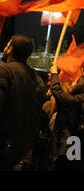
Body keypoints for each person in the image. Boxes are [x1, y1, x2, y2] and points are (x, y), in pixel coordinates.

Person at [0, 35, 48, 170]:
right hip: (25, 145)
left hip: (5, 142)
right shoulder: (36, 77)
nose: (5, 47)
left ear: (10, 50)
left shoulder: (5, 71)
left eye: (7, 44)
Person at [49, 66, 84, 171]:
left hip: (73, 144)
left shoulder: (77, 102)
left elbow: (58, 92)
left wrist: (54, 75)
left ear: (81, 86)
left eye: (76, 82)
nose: (73, 84)